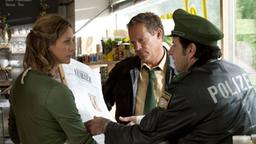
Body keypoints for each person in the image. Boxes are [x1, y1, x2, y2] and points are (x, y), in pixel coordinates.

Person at [86, 9, 256, 144]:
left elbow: (148, 136)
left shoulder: (187, 87)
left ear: (190, 50)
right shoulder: (237, 71)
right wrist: (144, 119)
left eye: (174, 44)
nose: (171, 50)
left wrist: (107, 127)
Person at [8, 14, 96, 144]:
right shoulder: (56, 91)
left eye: (72, 40)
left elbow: (15, 134)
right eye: (67, 41)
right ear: (47, 45)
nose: (72, 47)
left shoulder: (20, 82)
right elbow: (83, 142)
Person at [103, 12, 175, 123]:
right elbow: (103, 102)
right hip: (128, 137)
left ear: (159, 35)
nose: (137, 48)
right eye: (133, 43)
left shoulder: (180, 72)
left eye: (142, 40)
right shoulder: (122, 70)